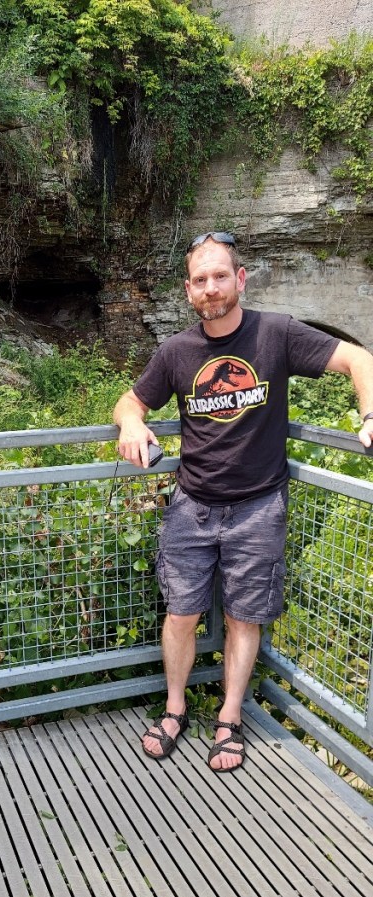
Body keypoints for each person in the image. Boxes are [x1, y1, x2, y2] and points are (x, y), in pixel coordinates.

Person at [113, 230, 373, 772]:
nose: (211, 287)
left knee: (243, 618)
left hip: (258, 507)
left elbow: (359, 359)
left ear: (240, 279)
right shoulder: (177, 351)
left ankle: (229, 717)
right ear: (189, 290)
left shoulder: (276, 333)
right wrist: (132, 423)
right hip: (192, 505)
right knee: (180, 614)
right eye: (200, 280)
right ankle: (175, 708)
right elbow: (130, 400)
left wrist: (370, 414)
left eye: (220, 276)